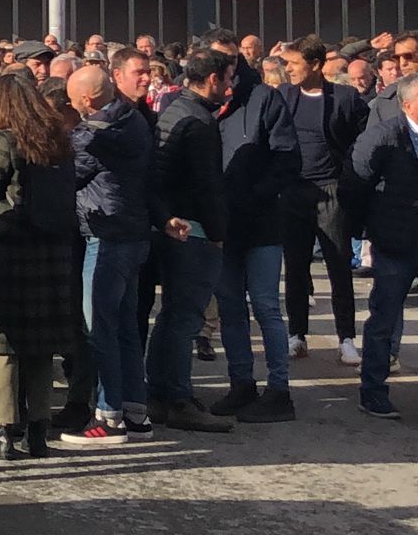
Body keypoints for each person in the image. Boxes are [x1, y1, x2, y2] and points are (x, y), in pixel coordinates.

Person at [0, 74, 78, 460]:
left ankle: (4, 433)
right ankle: (38, 434)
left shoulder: (6, 139)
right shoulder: (58, 138)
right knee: (41, 349)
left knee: (4, 347)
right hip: (53, 254)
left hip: (9, 251)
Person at [203, 30, 301, 423]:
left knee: (265, 306)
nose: (224, 70)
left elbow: (286, 158)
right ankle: (240, 383)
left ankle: (279, 391)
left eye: (229, 61)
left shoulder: (265, 98)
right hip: (222, 224)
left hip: (261, 222)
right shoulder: (205, 103)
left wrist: (255, 195)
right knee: (229, 307)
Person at [62, 65, 161, 445]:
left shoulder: (91, 135)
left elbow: (68, 175)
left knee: (100, 328)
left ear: (86, 99)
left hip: (104, 236)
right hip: (134, 233)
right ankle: (135, 412)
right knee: (125, 328)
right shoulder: (133, 120)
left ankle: (109, 415)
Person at [145, 48, 233, 433]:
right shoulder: (198, 122)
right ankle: (179, 398)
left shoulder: (174, 109)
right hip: (191, 230)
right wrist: (218, 234)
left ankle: (160, 394)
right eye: (228, 77)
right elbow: (208, 186)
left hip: (170, 225)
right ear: (213, 78)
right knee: (185, 319)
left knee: (171, 318)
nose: (230, 85)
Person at [276, 36, 368, 367]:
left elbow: (363, 139)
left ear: (315, 65)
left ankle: (346, 338)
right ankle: (296, 335)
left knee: (338, 266)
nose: (288, 70)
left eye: (294, 64)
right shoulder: (284, 97)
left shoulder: (344, 98)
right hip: (294, 191)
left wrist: (349, 176)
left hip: (332, 190)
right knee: (296, 267)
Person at [353, 75, 418, 419]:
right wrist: (369, 228)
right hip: (395, 241)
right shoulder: (385, 135)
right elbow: (357, 182)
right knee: (384, 317)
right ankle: (373, 391)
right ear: (407, 105)